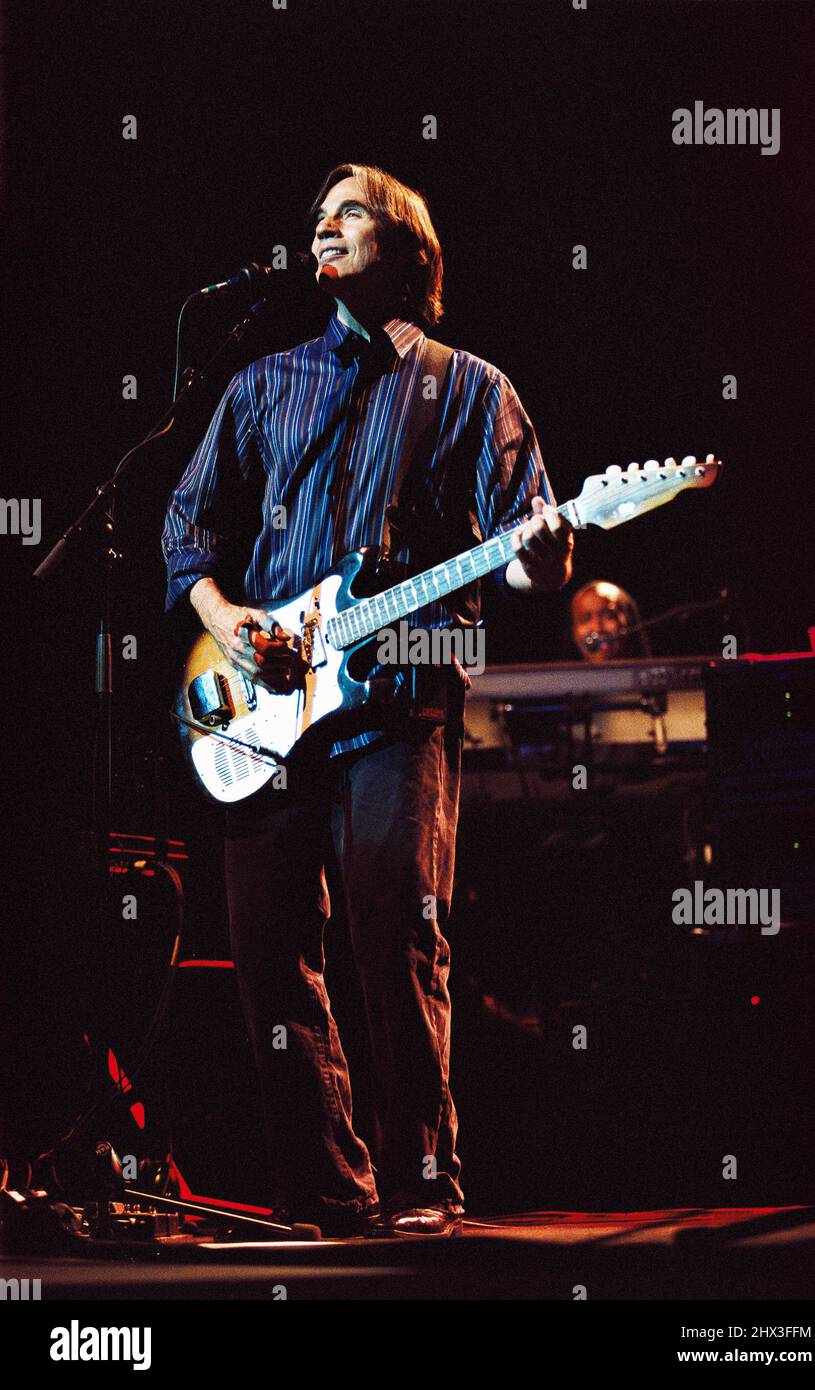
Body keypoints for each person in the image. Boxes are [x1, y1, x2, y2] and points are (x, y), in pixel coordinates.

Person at [162, 163, 574, 1237]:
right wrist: (228, 617)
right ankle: (325, 1195)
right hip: (268, 708)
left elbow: (532, 557)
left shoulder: (470, 388)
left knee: (397, 935)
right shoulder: (264, 382)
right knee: (267, 957)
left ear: (407, 249)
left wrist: (542, 553)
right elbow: (186, 525)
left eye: (345, 216)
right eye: (315, 224)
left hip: (398, 702)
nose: (320, 236)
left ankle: (423, 1184)